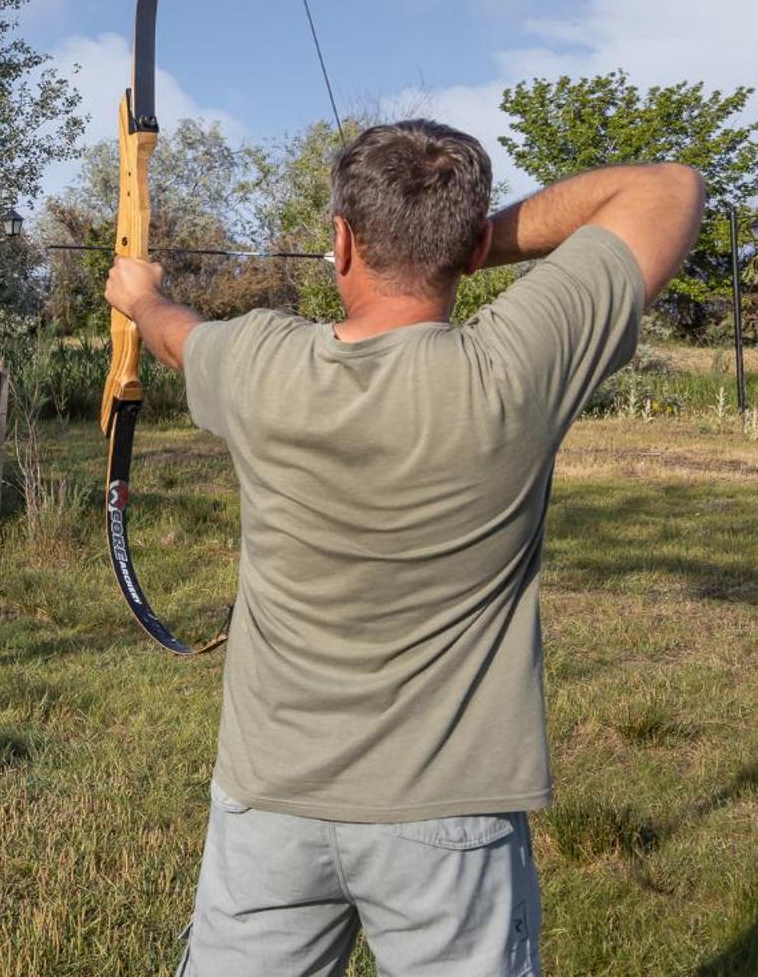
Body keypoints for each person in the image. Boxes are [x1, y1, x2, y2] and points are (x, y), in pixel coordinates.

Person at [102, 119, 705, 976]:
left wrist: (139, 295)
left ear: (341, 241)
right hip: (450, 817)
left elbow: (171, 332)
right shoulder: (513, 368)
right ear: (465, 250)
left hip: (269, 801)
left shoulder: (259, 361)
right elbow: (669, 188)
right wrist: (465, 243)